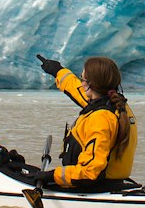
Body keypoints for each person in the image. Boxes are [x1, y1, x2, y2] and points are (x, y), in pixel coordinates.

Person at [34, 54, 137, 192]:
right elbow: (76, 89)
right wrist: (58, 71)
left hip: (91, 185)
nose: (81, 82)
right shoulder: (117, 105)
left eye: (82, 78)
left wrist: (53, 175)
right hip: (110, 182)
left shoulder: (101, 118)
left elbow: (90, 172)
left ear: (91, 84)